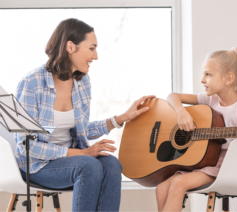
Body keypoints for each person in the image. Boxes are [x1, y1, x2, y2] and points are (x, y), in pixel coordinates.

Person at [14, 18, 154, 212]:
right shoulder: (32, 83)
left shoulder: (82, 82)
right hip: (37, 165)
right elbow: (26, 146)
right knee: (89, 165)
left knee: (112, 165)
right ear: (70, 47)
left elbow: (80, 130)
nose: (95, 56)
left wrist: (120, 119)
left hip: (72, 159)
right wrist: (81, 153)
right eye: (91, 48)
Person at [155, 47, 237, 211]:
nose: (202, 79)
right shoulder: (211, 100)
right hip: (202, 163)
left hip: (224, 168)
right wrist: (181, 112)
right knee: (161, 189)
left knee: (178, 183)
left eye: (208, 74)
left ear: (228, 78)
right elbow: (172, 96)